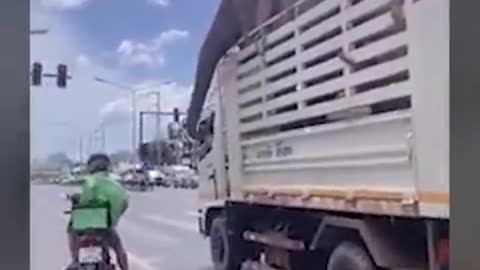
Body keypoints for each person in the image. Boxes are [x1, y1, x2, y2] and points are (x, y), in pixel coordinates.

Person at [66, 153, 129, 270]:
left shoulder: (90, 181)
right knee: (118, 248)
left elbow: (85, 201)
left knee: (71, 230)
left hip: (83, 227)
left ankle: (75, 259)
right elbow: (125, 202)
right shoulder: (116, 184)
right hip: (105, 227)